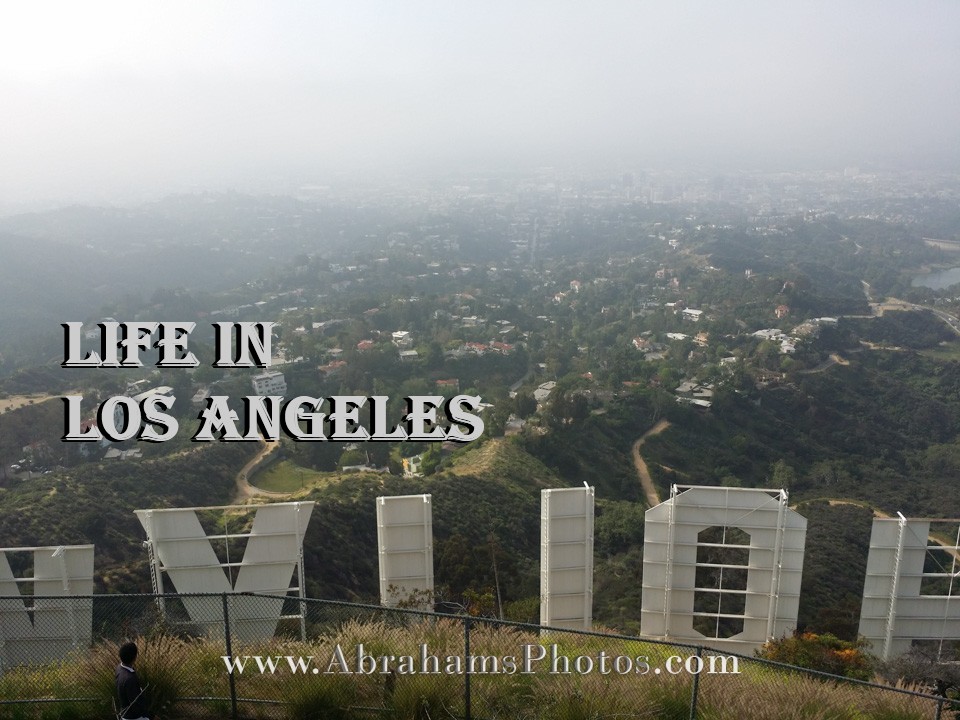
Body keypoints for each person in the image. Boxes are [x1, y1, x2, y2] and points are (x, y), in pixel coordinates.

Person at [115, 641, 150, 720]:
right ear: (135, 657)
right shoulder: (130, 679)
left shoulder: (119, 669)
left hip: (125, 714)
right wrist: (151, 716)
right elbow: (136, 705)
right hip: (134, 717)